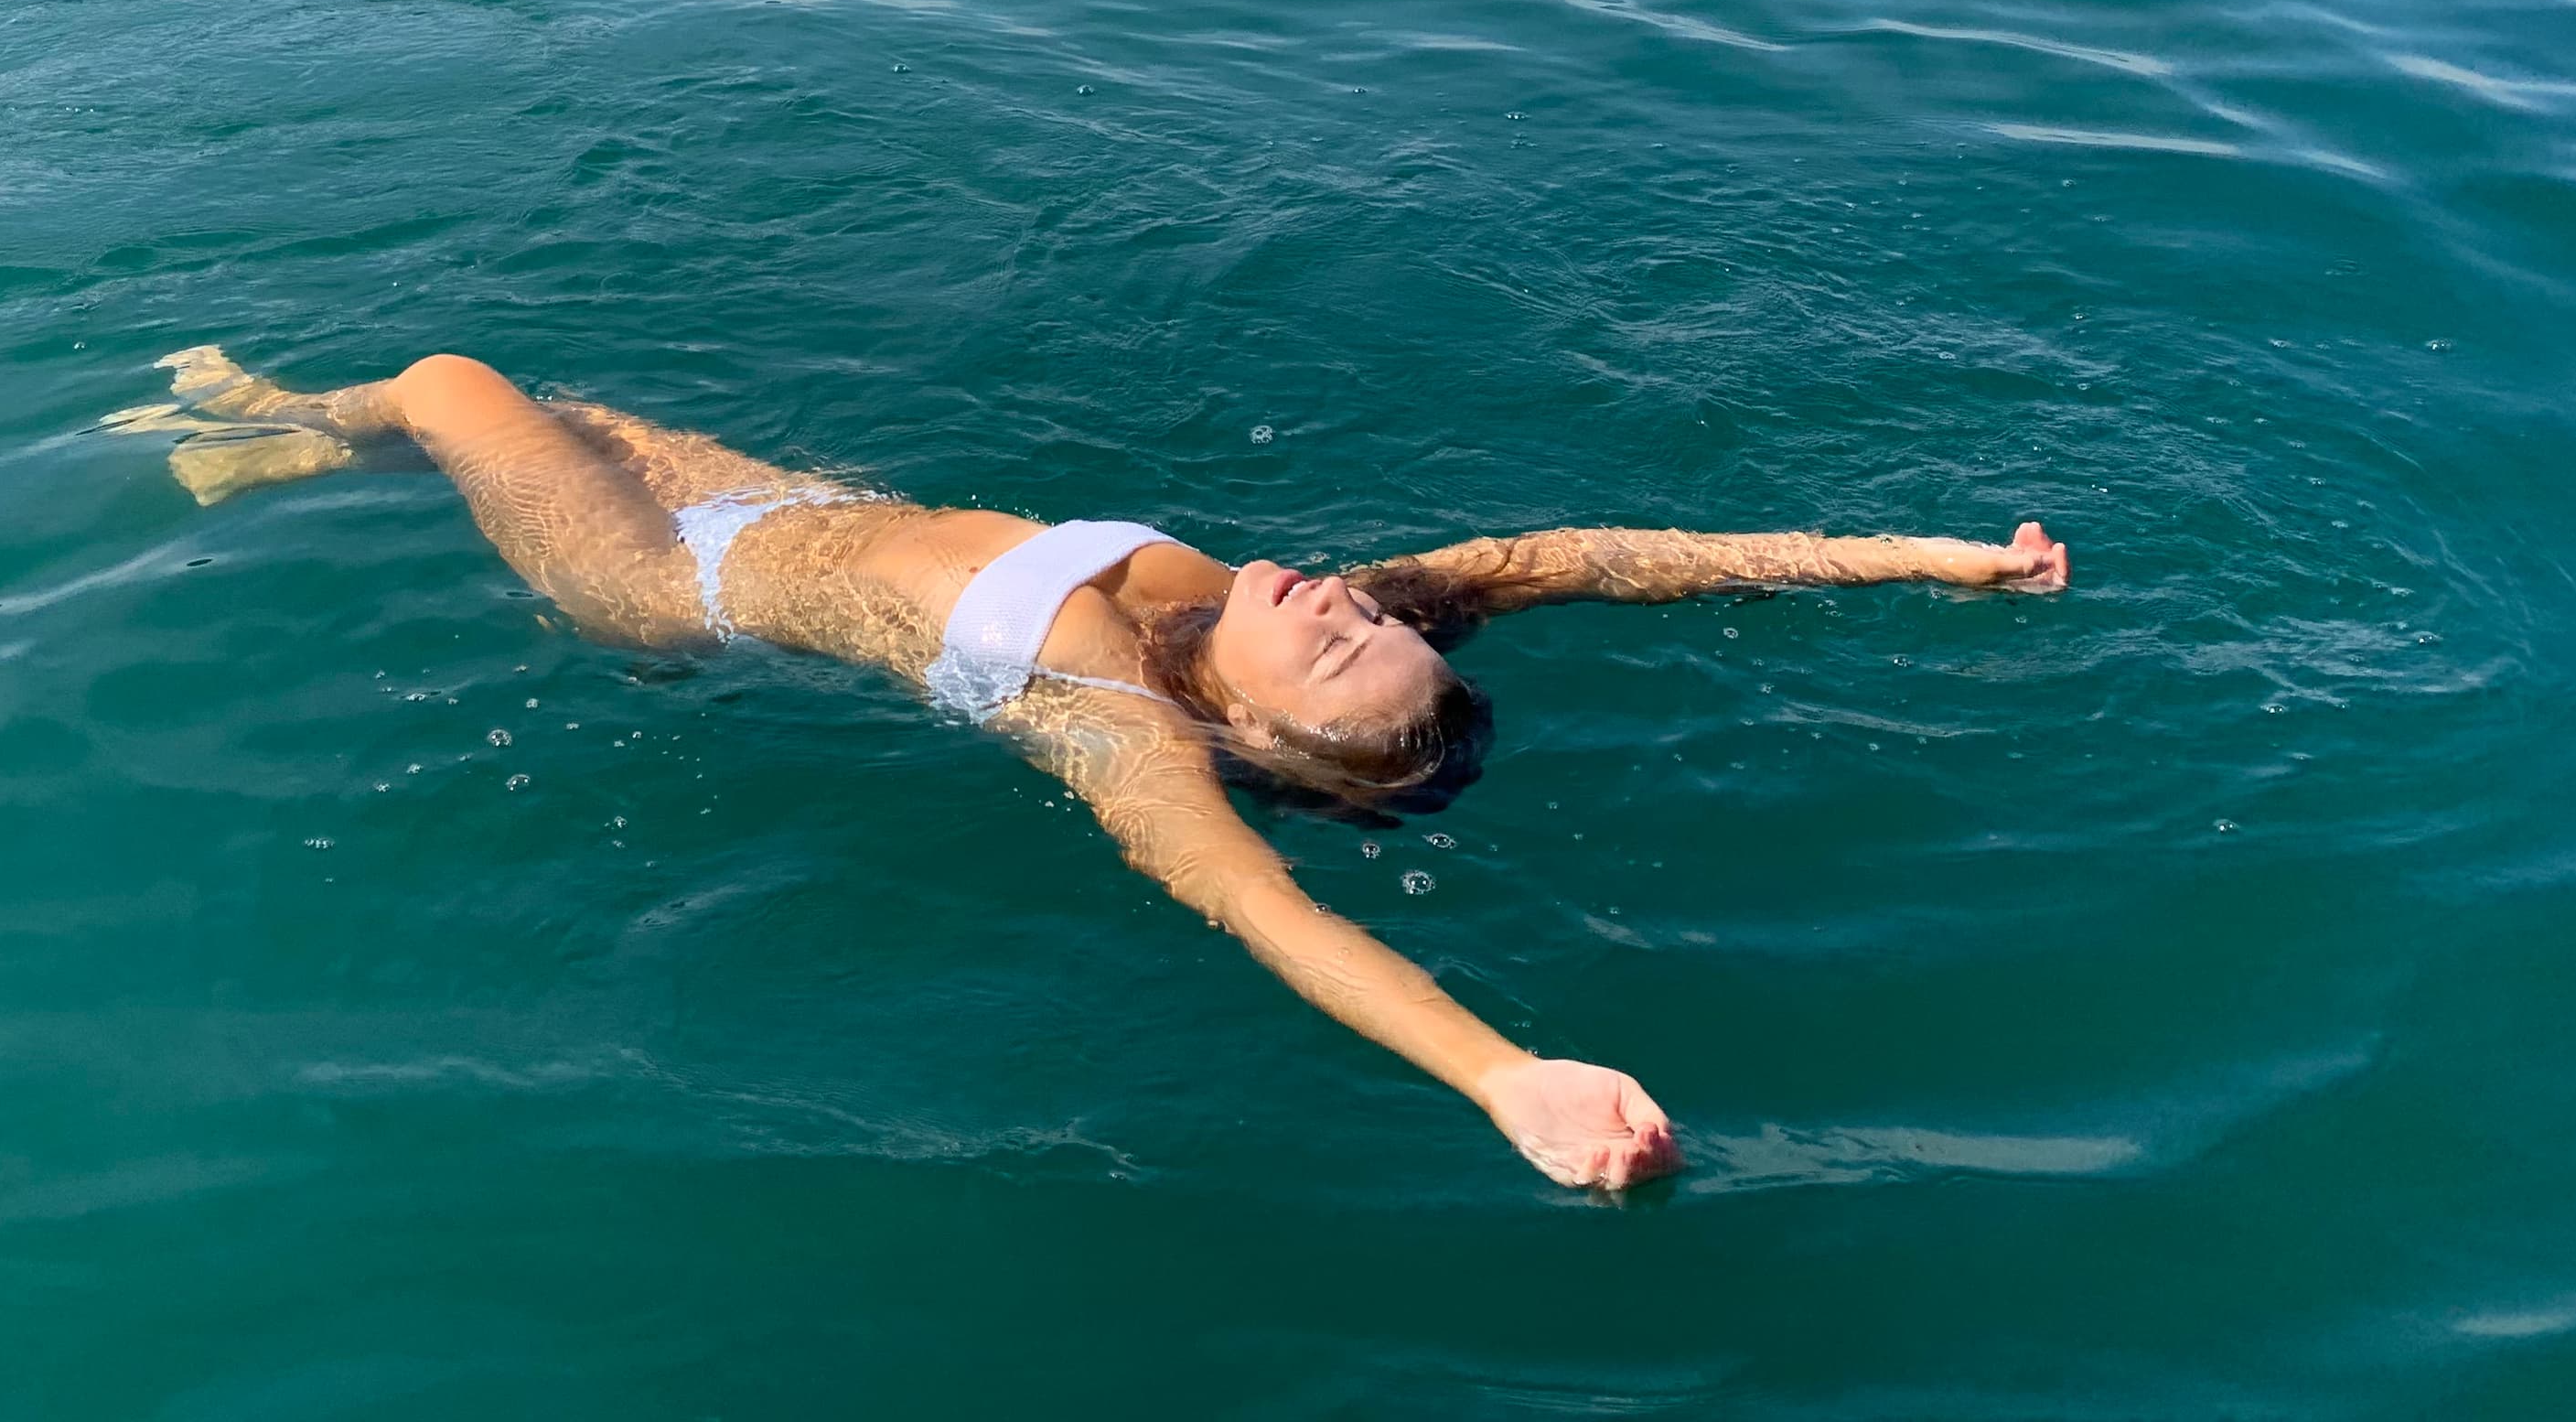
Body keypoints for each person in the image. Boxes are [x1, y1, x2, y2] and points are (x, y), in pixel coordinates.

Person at [106, 347, 2068, 1191]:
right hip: (785, 509)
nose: (1354, 604)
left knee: (460, 389)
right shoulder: (1265, 617)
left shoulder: (1128, 724)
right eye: (1373, 622)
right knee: (582, 409)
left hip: (665, 590)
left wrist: (1504, 1072)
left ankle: (279, 421)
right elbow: (1575, 558)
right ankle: (285, 453)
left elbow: (1265, 911)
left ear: (1260, 738)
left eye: (1348, 646)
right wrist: (1918, 555)